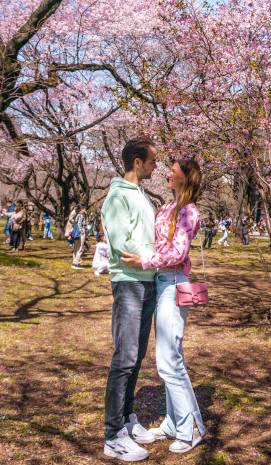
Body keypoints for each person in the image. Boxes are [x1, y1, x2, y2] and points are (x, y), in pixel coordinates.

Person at [122, 158, 206, 454]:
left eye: (173, 170)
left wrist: (144, 261)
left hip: (173, 282)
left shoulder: (188, 210)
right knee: (169, 357)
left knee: (170, 361)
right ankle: (173, 423)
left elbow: (177, 252)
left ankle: (192, 427)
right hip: (160, 282)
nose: (167, 173)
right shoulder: (168, 208)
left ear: (186, 177)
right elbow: (159, 244)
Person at [101, 136, 158, 462]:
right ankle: (113, 435)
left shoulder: (140, 194)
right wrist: (157, 258)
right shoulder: (117, 197)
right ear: (137, 161)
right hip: (129, 283)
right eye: (152, 159)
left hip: (147, 281)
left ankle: (127, 418)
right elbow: (123, 245)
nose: (156, 165)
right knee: (124, 358)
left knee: (136, 356)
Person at [72, 205, 87, 269]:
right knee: (80, 248)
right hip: (80, 234)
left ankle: (74, 262)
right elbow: (79, 224)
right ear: (82, 209)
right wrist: (82, 232)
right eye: (84, 209)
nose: (85, 210)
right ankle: (77, 263)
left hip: (76, 234)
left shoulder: (77, 215)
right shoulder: (81, 216)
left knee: (76, 248)